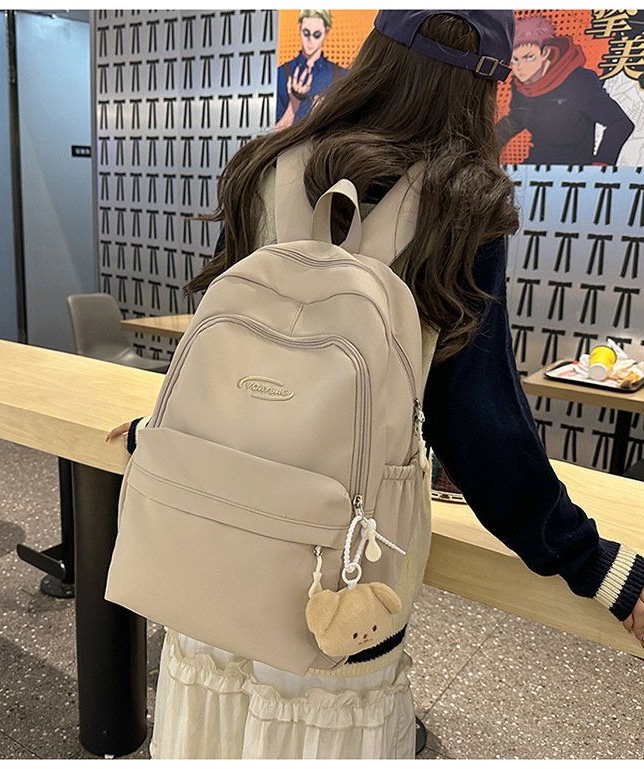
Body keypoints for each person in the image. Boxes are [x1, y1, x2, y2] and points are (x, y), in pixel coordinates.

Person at [108, 10, 644, 759]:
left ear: (376, 55)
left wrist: (159, 435)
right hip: (340, 572)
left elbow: (237, 351)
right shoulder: (460, 205)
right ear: (487, 89)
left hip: (213, 535)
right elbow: (478, 423)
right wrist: (599, 565)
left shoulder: (267, 164)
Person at [495, 13, 634, 165]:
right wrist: (485, 145)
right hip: (536, 166)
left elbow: (620, 123)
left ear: (545, 53)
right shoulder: (520, 84)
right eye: (515, 60)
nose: (520, 67)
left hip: (574, 169)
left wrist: (601, 165)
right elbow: (516, 119)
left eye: (529, 57)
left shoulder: (579, 81)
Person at [275, 9, 346, 129]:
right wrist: (293, 106)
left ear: (326, 31)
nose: (310, 40)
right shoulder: (281, 74)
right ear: (300, 28)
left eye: (316, 34)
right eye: (306, 33)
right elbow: (272, 133)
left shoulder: (342, 75)